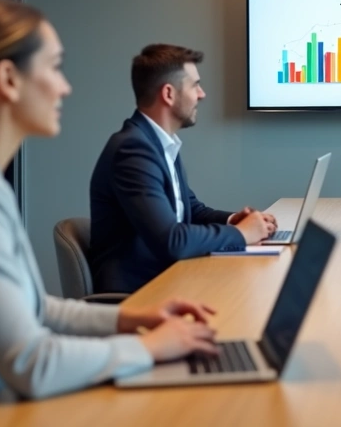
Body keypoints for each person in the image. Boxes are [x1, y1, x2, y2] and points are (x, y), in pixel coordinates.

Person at [0, 0, 220, 427]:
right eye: (54, 67)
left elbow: (35, 310)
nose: (64, 87)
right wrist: (149, 348)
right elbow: (31, 363)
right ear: (9, 80)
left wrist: (135, 318)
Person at [89, 44, 276, 294]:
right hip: (139, 293)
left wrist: (234, 221)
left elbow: (191, 210)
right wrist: (241, 235)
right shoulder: (133, 150)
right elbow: (172, 241)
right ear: (168, 93)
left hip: (169, 279)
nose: (202, 94)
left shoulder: (158, 142)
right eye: (194, 85)